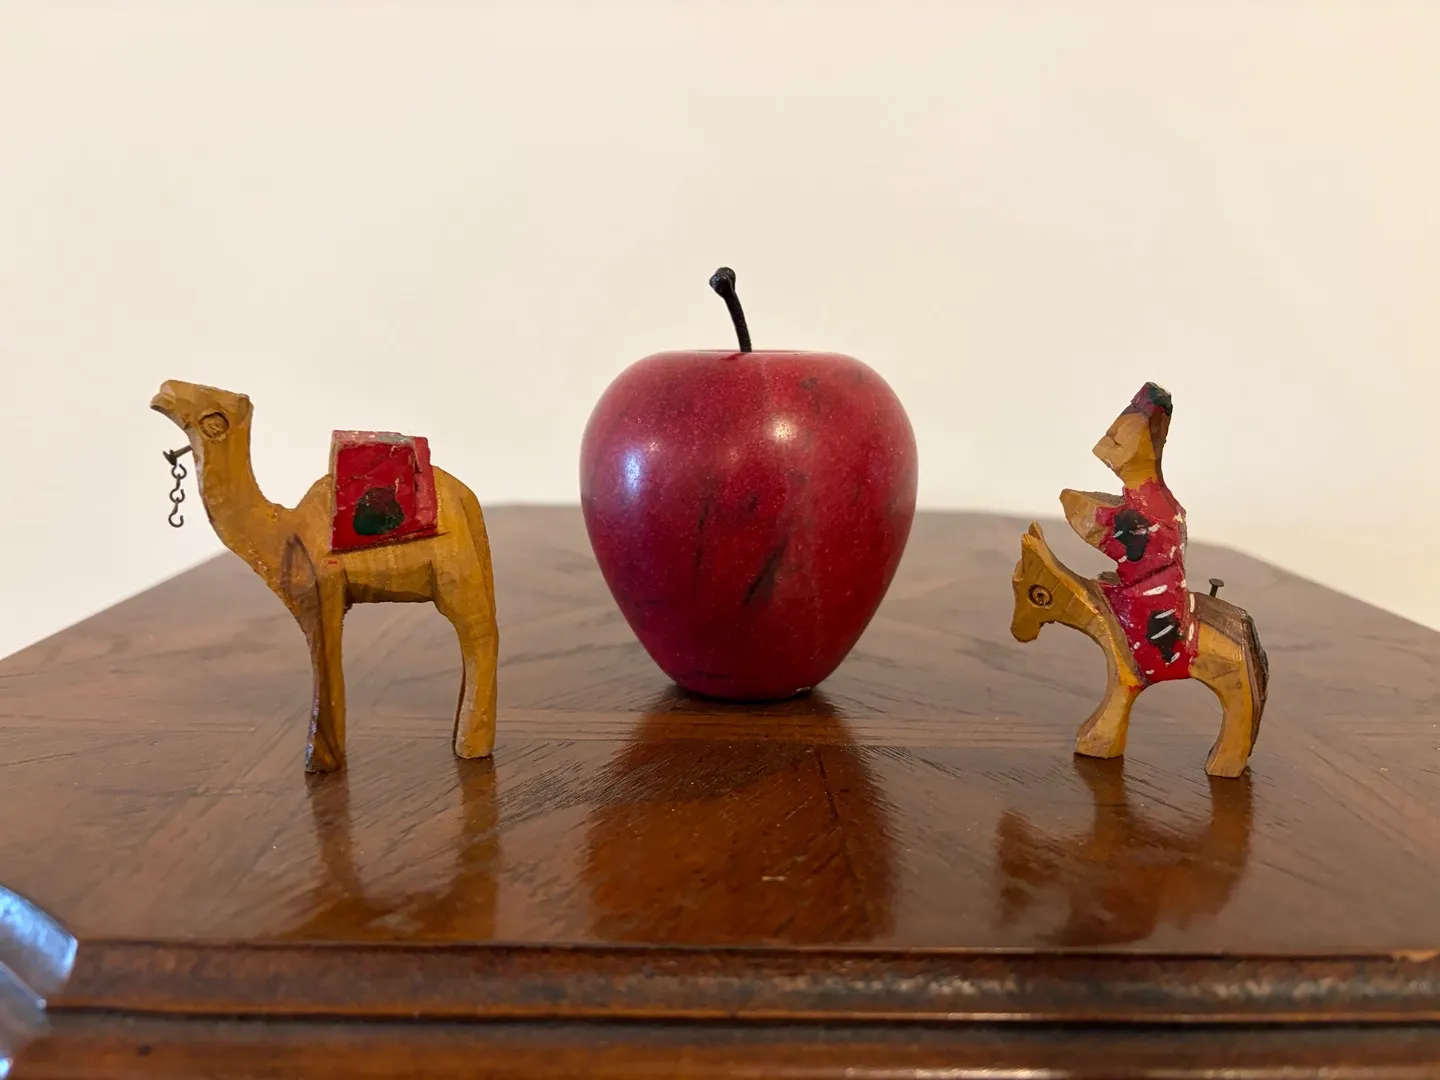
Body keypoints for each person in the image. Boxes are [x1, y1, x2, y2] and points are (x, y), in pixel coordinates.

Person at [1060, 382, 1196, 682]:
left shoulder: (1151, 508)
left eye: (1117, 441)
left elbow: (1088, 518)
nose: (1104, 448)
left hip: (1152, 612)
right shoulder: (1148, 500)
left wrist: (1085, 510)